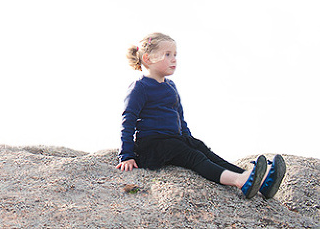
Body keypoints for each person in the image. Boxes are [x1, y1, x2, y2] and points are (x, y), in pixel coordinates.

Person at [116, 32, 286, 200]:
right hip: (152, 146)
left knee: (202, 150)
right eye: (167, 55)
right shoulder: (140, 87)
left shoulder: (170, 86)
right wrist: (127, 155)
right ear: (147, 59)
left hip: (173, 141)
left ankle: (255, 179)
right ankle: (240, 181)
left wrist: (189, 141)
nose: (174, 59)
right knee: (194, 157)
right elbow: (128, 120)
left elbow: (179, 118)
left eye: (175, 55)